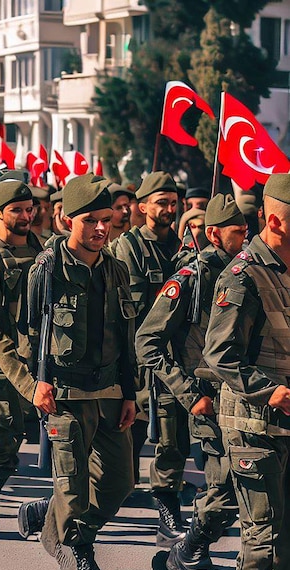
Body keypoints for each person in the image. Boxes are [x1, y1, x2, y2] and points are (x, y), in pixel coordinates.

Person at [27, 175, 137, 570]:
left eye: (106, 219)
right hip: (65, 394)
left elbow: (126, 338)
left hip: (110, 392)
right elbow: (28, 334)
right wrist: (37, 383)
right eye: (89, 219)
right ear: (64, 219)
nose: (100, 228)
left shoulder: (116, 268)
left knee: (119, 481)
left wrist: (129, 393)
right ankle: (78, 550)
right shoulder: (47, 269)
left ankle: (54, 528)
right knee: (72, 486)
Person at [136, 194, 247, 570]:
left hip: (243, 396)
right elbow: (147, 341)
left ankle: (197, 553)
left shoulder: (248, 273)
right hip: (207, 398)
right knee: (224, 486)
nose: (245, 237)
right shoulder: (191, 279)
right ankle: (188, 549)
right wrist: (189, 393)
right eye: (238, 231)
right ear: (215, 234)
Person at [203, 173, 290, 570]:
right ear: (273, 220)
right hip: (253, 424)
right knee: (265, 530)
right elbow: (219, 354)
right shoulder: (241, 276)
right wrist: (271, 390)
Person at [113, 171, 186, 543]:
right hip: (137, 362)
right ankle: (49, 511)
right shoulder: (127, 248)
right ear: (143, 207)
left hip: (173, 362)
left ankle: (167, 514)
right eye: (162, 203)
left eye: (173, 203)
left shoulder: (184, 248)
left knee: (172, 441)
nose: (169, 209)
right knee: (122, 452)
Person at [0, 179, 43, 529]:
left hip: (44, 362)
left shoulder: (44, 251)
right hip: (6, 368)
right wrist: (21, 377)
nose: (25, 215)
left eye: (29, 209)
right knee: (4, 444)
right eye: (16, 210)